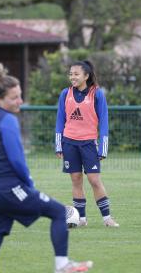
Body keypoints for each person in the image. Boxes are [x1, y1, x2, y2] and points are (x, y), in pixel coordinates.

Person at [0, 61, 93, 273]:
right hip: (7, 188)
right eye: (14, 97)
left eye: (20, 95)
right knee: (57, 212)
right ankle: (62, 265)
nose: (21, 101)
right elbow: (17, 160)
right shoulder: (8, 120)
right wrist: (28, 183)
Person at [55, 60, 119, 228]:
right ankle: (81, 219)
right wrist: (58, 145)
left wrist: (103, 148)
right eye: (70, 74)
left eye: (76, 74)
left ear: (86, 76)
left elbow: (104, 121)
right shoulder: (65, 93)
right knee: (76, 180)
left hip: (89, 144)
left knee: (94, 180)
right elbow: (60, 119)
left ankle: (107, 219)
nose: (72, 77)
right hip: (69, 142)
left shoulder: (97, 94)